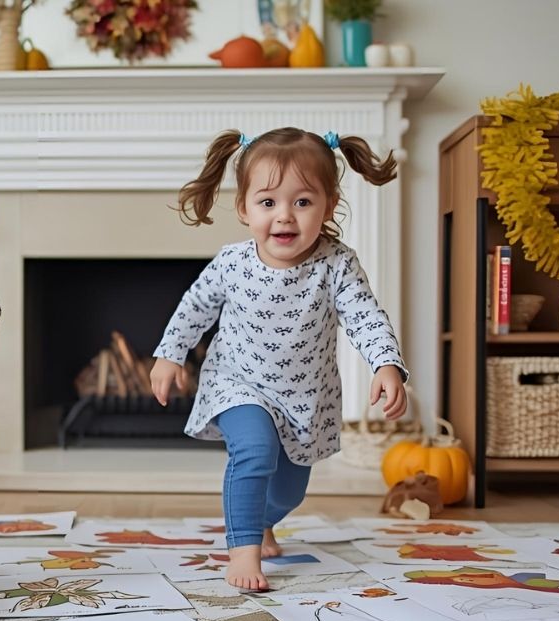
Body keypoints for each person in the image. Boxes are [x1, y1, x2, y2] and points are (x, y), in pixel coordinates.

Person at [150, 128, 408, 592]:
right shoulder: (232, 263)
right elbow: (194, 309)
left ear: (328, 206)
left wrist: (386, 364)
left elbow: (366, 317)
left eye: (302, 202)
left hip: (304, 398)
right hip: (238, 383)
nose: (284, 216)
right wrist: (170, 355)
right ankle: (243, 548)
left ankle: (261, 518)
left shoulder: (337, 264)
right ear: (245, 209)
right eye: (268, 202)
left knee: (290, 491)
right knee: (254, 451)